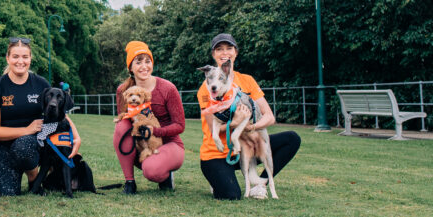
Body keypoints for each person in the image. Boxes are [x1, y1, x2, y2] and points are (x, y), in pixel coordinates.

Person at [197, 33, 301, 200]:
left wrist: (250, 127)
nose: (225, 53)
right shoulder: (207, 89)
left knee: (292, 139)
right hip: (217, 153)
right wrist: (235, 122)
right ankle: (217, 178)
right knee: (231, 195)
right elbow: (212, 129)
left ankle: (261, 184)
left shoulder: (247, 80)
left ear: (236, 52)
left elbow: (269, 117)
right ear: (213, 55)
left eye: (229, 48)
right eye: (219, 49)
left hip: (247, 146)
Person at [0, 37, 81, 196]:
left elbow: (58, 111)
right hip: (4, 146)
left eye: (25, 57)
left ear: (30, 59)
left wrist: (76, 136)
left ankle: (33, 177)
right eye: (15, 56)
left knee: (24, 146)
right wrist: (27, 129)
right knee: (5, 193)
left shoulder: (40, 83)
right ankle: (24, 175)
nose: (20, 61)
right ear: (8, 58)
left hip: (31, 145)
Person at [113, 41, 185, 194]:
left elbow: (180, 125)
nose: (144, 66)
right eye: (138, 62)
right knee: (121, 125)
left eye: (148, 61)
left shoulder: (167, 88)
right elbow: (126, 123)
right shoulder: (123, 90)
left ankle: (164, 171)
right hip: (141, 144)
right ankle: (129, 182)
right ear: (130, 68)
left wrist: (155, 131)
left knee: (152, 170)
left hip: (170, 144)